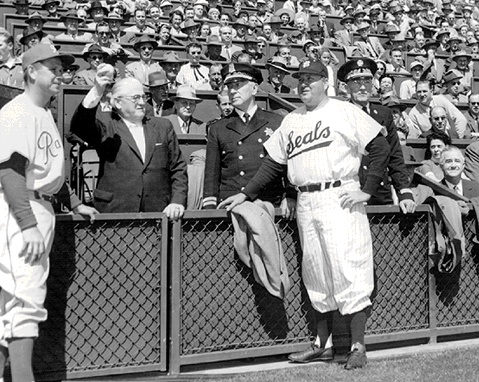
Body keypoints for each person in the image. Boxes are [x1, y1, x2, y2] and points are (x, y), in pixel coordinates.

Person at [219, 59, 390, 370]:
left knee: (349, 268)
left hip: (340, 196)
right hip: (307, 200)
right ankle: (322, 345)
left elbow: (380, 146)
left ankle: (357, 346)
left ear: (325, 83)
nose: (304, 84)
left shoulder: (343, 110)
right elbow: (273, 163)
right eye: (301, 78)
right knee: (316, 272)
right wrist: (246, 193)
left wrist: (367, 190)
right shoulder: (292, 120)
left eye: (311, 78)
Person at [0, 42, 97, 382]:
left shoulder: (43, 112)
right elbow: (10, 171)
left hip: (38, 205)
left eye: (62, 69)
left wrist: (75, 202)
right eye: (52, 69)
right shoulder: (17, 112)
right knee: (25, 298)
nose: (60, 75)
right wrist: (27, 224)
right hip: (21, 208)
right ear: (30, 71)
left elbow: (49, 171)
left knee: (12, 300)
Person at [70, 66, 188, 215]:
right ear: (118, 102)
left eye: (143, 97)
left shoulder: (163, 126)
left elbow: (178, 167)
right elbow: (79, 126)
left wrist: (177, 201)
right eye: (135, 98)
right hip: (115, 212)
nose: (142, 102)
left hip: (158, 212)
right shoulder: (107, 125)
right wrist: (97, 90)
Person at [202, 64, 288, 210]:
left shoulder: (276, 122)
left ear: (254, 88)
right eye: (229, 86)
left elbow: (286, 165)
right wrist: (210, 208)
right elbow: (212, 175)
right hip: (231, 206)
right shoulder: (218, 128)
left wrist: (290, 196)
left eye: (238, 85)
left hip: (269, 204)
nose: (232, 91)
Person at [337, 58, 415, 212]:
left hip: (380, 192)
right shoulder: (340, 114)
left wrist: (404, 193)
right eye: (356, 82)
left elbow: (395, 155)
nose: (362, 87)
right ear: (347, 87)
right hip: (351, 192)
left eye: (367, 82)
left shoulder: (383, 114)